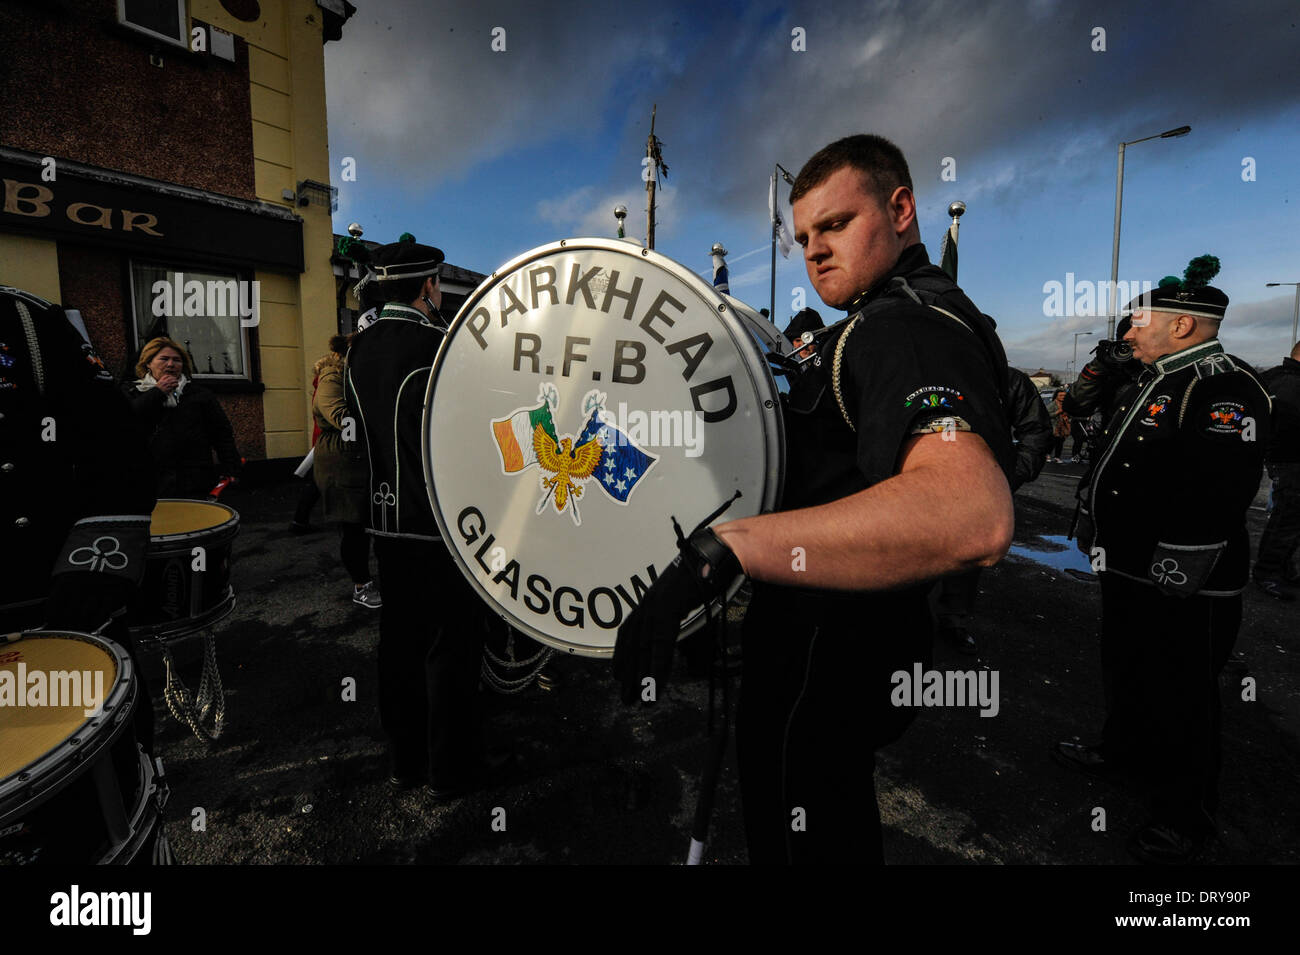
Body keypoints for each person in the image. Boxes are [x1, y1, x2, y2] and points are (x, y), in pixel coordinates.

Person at [615, 134, 1016, 864]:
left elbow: (970, 511)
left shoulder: (905, 326)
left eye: (835, 224)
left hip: (826, 656)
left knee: (805, 834)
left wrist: (731, 545)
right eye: (803, 236)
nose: (815, 250)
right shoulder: (896, 314)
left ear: (900, 209)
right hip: (847, 644)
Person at [1055, 258, 1271, 864]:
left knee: (1183, 693)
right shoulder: (1150, 377)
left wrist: (1182, 564)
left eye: (1138, 322)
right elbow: (1089, 422)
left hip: (1184, 578)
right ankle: (1121, 752)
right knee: (1127, 665)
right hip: (1128, 565)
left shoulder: (1221, 383)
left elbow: (1220, 487)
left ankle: (1186, 817)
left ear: (1181, 326)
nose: (1128, 332)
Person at [0, 285, 163, 858]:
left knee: (92, 817)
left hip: (51, 609)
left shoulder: (29, 325)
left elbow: (119, 456)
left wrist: (87, 592)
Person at [344, 233, 488, 793]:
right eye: (438, 285)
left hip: (387, 520)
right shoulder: (439, 344)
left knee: (399, 645)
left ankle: (406, 762)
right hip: (442, 522)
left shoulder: (362, 345)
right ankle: (453, 771)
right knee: (452, 649)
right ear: (429, 285)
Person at [936, 366, 1051, 655]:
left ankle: (953, 622)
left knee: (966, 556)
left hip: (979, 488)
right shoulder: (927, 371)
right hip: (922, 483)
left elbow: (1036, 430)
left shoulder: (1009, 381)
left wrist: (1011, 475)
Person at [122, 337, 241, 498]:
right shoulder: (132, 392)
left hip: (194, 480)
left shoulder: (199, 395)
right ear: (148, 363)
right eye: (164, 359)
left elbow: (221, 434)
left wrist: (230, 468)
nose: (170, 364)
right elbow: (124, 421)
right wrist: (157, 393)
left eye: (176, 360)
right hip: (149, 480)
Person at [312, 334, 379, 608]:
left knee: (368, 523)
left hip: (361, 458)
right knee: (354, 525)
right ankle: (361, 584)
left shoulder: (358, 374)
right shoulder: (332, 377)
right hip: (343, 461)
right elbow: (343, 420)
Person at [1253, 341, 1300, 600]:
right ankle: (1269, 573)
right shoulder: (1290, 383)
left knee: (1289, 520)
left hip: (1282, 459)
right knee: (1287, 520)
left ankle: (1280, 568)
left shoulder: (1271, 377)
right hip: (1290, 461)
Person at [1048, 390, 1070, 463]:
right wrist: (1057, 412)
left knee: (1060, 442)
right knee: (1052, 442)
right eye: (1060, 395)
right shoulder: (1052, 404)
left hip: (1063, 427)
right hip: (1054, 426)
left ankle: (1057, 457)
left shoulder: (1066, 404)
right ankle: (1047, 455)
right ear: (1056, 396)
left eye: (1064, 396)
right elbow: (1047, 415)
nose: (1062, 397)